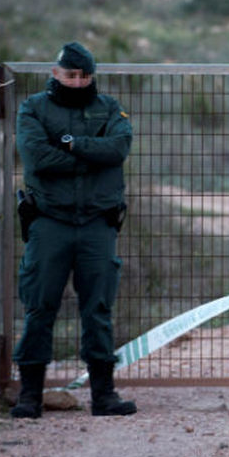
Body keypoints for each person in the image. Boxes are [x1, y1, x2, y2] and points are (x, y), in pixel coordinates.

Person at [10, 42, 136, 418]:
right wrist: (88, 157)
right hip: (50, 222)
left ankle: (104, 395)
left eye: (84, 76)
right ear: (55, 73)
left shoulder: (109, 108)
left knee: (97, 308)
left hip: (97, 223)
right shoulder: (33, 108)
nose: (78, 83)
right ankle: (30, 395)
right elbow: (36, 157)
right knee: (39, 307)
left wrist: (68, 144)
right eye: (71, 75)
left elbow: (117, 149)